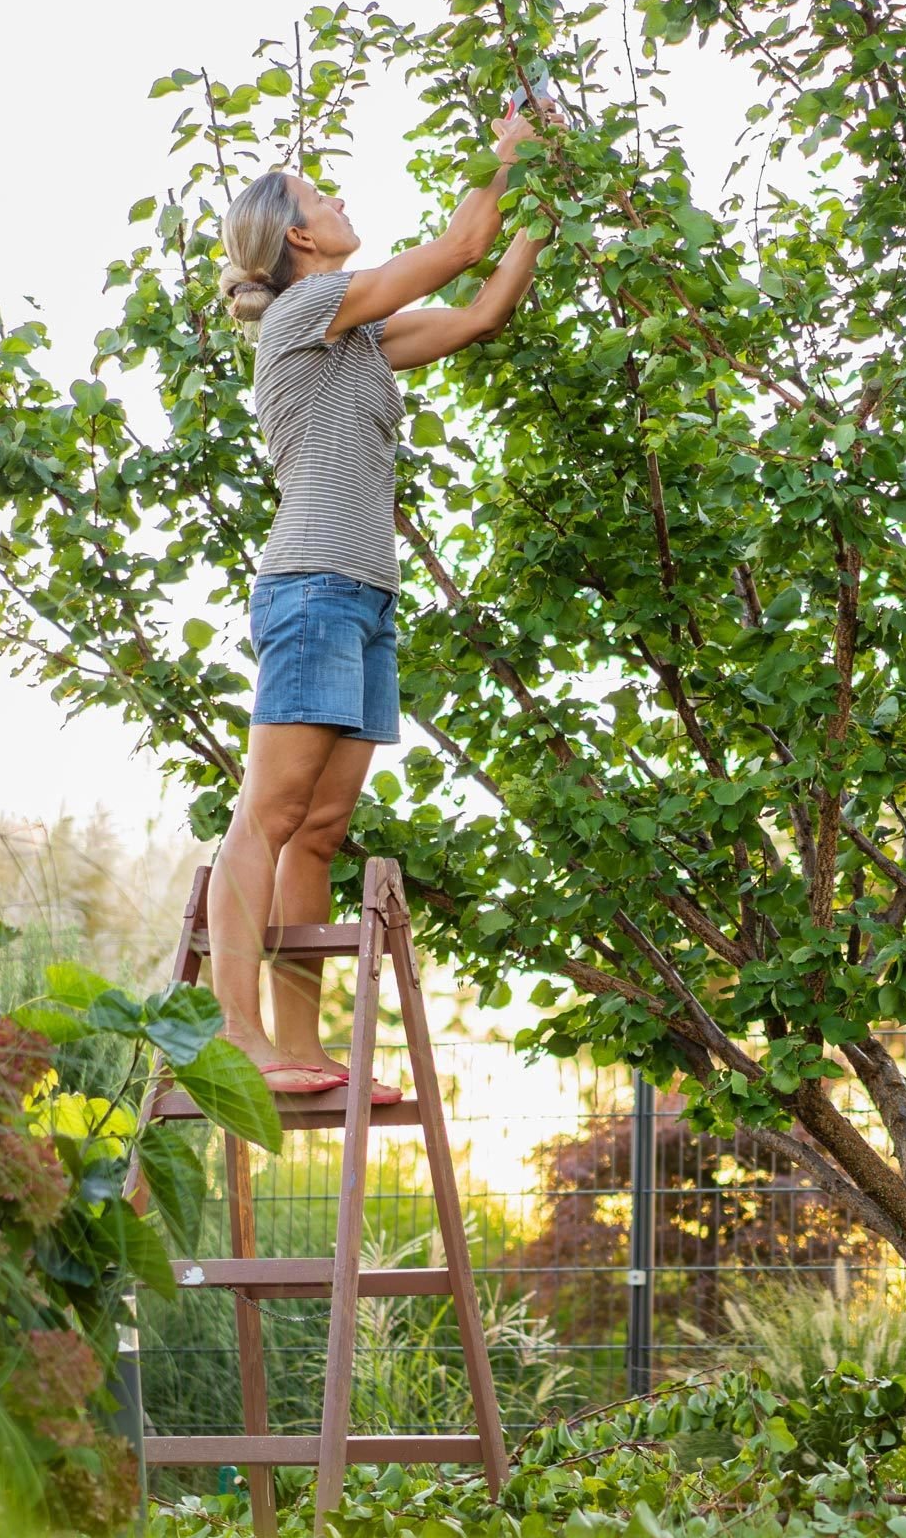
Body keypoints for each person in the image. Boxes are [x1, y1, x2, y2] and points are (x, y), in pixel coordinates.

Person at [211, 105, 547, 1095]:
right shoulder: (303, 314)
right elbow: (459, 245)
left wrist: (541, 208)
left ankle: (302, 1049)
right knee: (269, 810)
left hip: (365, 599)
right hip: (312, 589)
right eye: (325, 197)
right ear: (301, 238)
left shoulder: (355, 337)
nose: (342, 200)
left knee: (319, 828)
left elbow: (483, 309)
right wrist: (509, 161)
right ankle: (236, 1036)